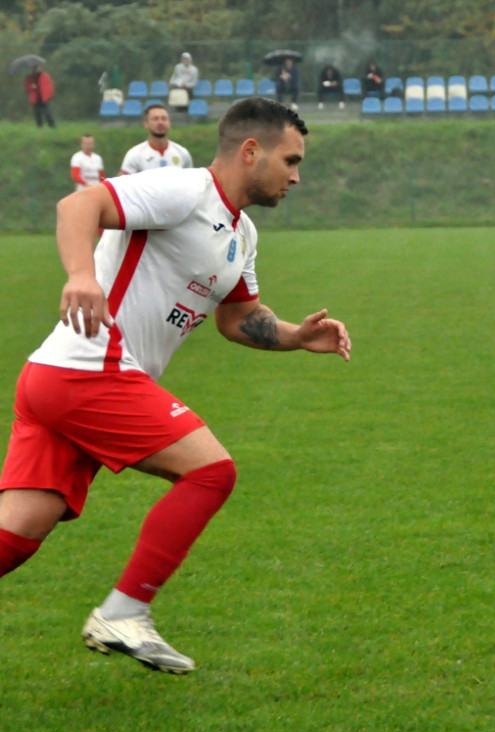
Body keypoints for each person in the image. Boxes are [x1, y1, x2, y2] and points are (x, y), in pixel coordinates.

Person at [0, 96, 352, 675]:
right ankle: (125, 611)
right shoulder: (184, 190)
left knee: (20, 532)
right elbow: (78, 204)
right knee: (211, 471)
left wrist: (293, 336)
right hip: (91, 368)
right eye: (290, 160)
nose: (297, 175)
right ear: (250, 150)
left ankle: (124, 611)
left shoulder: (244, 233)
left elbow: (240, 318)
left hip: (56, 378)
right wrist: (81, 275)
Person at [120, 103, 193, 175]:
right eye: (155, 119)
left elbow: (190, 181)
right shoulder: (134, 154)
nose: (160, 122)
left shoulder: (182, 153)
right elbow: (122, 183)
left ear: (169, 123)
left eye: (164, 119)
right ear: (146, 124)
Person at [24, 64, 55, 128]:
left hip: (44, 97)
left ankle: (52, 126)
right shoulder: (30, 78)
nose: (37, 70)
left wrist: (50, 95)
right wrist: (32, 87)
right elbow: (27, 88)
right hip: (35, 98)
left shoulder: (45, 76)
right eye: (35, 69)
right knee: (37, 114)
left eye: (37, 68)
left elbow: (50, 86)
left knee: (48, 113)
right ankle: (40, 127)